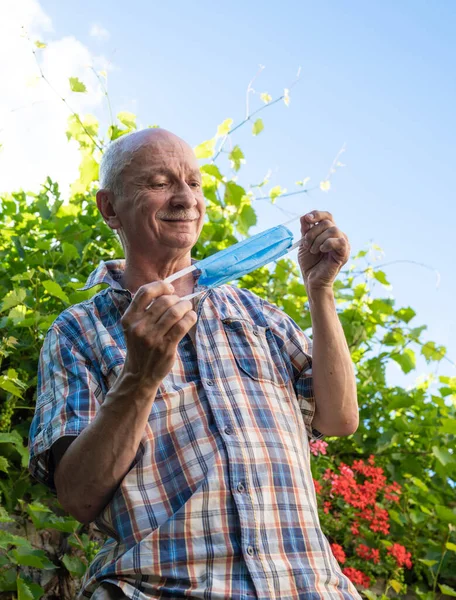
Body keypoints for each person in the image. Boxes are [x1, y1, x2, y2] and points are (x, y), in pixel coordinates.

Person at [29, 128, 361, 600]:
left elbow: (339, 417)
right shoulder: (79, 330)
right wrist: (140, 377)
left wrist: (320, 291)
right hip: (157, 589)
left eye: (194, 183)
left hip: (307, 587)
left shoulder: (260, 316)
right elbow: (79, 496)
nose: (185, 198)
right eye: (160, 183)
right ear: (109, 208)